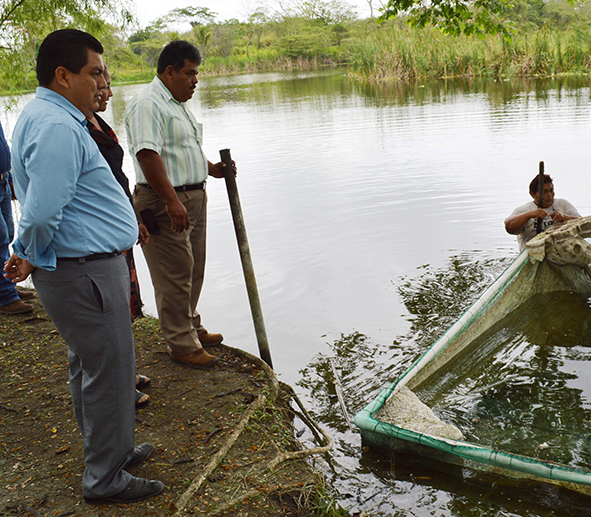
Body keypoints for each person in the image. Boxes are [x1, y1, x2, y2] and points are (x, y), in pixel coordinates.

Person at [3, 29, 163, 504]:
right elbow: (44, 208)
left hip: (84, 267)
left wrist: (30, 251)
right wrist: (27, 251)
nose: (102, 82)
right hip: (85, 270)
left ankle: (112, 451)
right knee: (109, 370)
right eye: (95, 72)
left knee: (91, 366)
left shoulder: (53, 115)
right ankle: (105, 478)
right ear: (62, 74)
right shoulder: (55, 124)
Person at [125, 40, 234, 369]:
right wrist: (171, 200)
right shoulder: (148, 102)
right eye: (190, 73)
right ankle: (181, 343)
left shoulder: (176, 103)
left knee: (192, 267)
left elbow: (180, 147)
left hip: (191, 196)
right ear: (169, 71)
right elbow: (147, 153)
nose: (195, 80)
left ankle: (190, 325)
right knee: (173, 273)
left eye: (196, 74)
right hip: (163, 201)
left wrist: (210, 169)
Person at [86, 67, 151, 410]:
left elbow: (119, 179)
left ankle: (126, 373)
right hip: (100, 233)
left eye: (109, 86)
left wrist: (134, 217)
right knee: (106, 314)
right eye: (102, 85)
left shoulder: (99, 124)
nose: (108, 93)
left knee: (122, 308)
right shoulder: (78, 128)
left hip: (119, 222)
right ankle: (118, 385)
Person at [0, 121, 34, 315]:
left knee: (8, 233)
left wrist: (10, 177)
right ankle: (5, 297)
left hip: (3, 180)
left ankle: (7, 285)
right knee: (0, 235)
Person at [505, 174, 580, 250]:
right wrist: (529, 215)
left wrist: (564, 217)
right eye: (544, 192)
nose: (550, 195)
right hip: (533, 252)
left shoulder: (562, 204)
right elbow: (508, 226)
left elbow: (583, 223)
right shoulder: (525, 209)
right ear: (532, 194)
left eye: (551, 191)